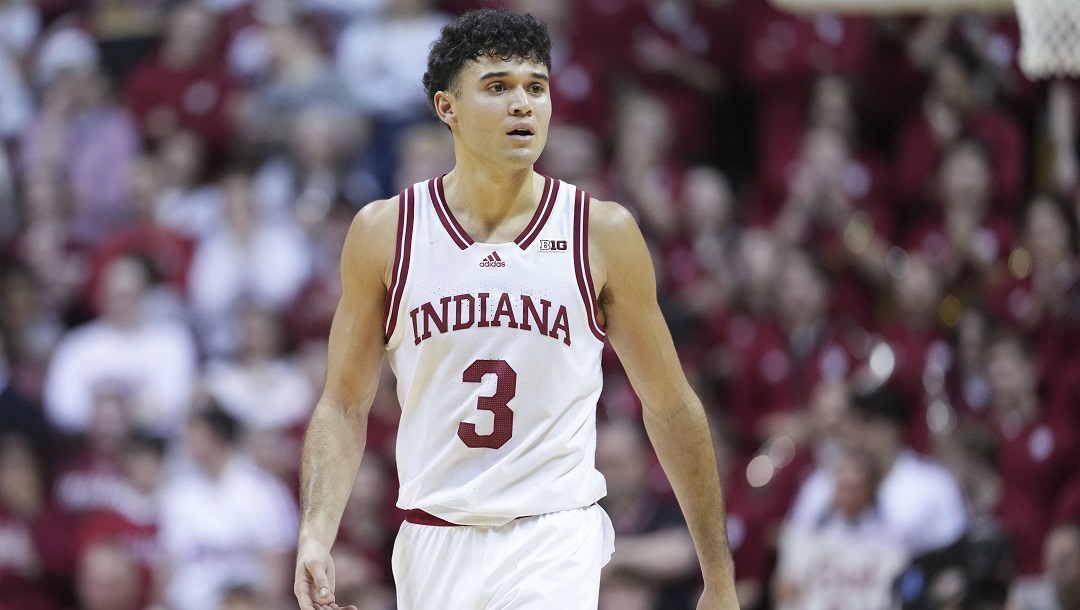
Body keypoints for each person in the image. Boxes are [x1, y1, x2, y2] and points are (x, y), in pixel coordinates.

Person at [294, 8, 737, 610]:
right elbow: (343, 405)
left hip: (552, 533)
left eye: (536, 87)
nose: (523, 104)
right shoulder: (385, 233)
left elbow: (669, 403)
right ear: (446, 107)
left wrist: (718, 573)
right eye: (497, 88)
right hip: (433, 537)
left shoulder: (598, 232)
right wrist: (315, 534)